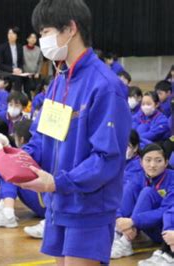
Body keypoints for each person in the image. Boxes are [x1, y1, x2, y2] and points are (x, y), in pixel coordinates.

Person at [19, 0, 132, 265]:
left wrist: (59, 183)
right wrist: (17, 157)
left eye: (46, 32)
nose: (42, 39)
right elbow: (42, 137)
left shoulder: (105, 85)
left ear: (70, 29)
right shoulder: (59, 81)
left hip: (89, 208)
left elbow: (107, 157)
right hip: (59, 203)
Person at [110, 144, 174, 260]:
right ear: (141, 162)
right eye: (148, 160)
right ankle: (120, 234)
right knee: (129, 188)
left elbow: (167, 210)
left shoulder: (172, 179)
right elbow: (123, 199)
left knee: (147, 192)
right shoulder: (139, 177)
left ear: (166, 162)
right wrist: (119, 218)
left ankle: (126, 240)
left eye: (158, 161)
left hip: (167, 232)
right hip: (146, 227)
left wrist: (133, 221)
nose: (152, 165)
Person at [0, 27, 24, 92]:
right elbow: (0, 65)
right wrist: (13, 70)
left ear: (17, 36)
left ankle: (27, 98)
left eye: (13, 33)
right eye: (9, 33)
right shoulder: (2, 47)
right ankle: (16, 96)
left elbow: (21, 62)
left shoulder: (20, 47)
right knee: (17, 78)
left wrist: (20, 69)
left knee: (27, 79)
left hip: (17, 72)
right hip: (5, 71)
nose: (11, 35)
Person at [23, 32, 44, 99]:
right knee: (28, 88)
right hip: (25, 74)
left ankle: (35, 100)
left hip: (35, 74)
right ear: (27, 39)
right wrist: (25, 73)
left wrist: (38, 72)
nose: (33, 39)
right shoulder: (23, 49)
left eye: (34, 37)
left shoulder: (38, 49)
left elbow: (40, 62)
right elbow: (21, 62)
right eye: (31, 37)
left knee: (38, 86)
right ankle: (29, 101)